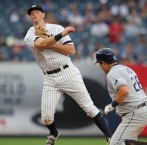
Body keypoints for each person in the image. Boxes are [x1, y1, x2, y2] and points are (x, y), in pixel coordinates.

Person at [24, 5, 112, 145]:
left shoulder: (57, 28)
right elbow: (40, 45)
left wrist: (53, 42)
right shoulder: (30, 33)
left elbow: (71, 50)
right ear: (30, 17)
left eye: (37, 12)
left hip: (67, 72)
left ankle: (109, 137)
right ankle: (54, 133)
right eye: (31, 13)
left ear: (43, 14)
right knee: (46, 117)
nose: (34, 14)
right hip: (49, 77)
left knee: (89, 107)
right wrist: (60, 37)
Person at [95, 48, 147, 145]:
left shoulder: (112, 73)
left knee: (115, 144)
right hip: (144, 108)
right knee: (125, 142)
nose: (100, 66)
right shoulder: (126, 68)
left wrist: (112, 105)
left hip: (135, 112)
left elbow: (124, 91)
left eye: (100, 63)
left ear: (103, 62)